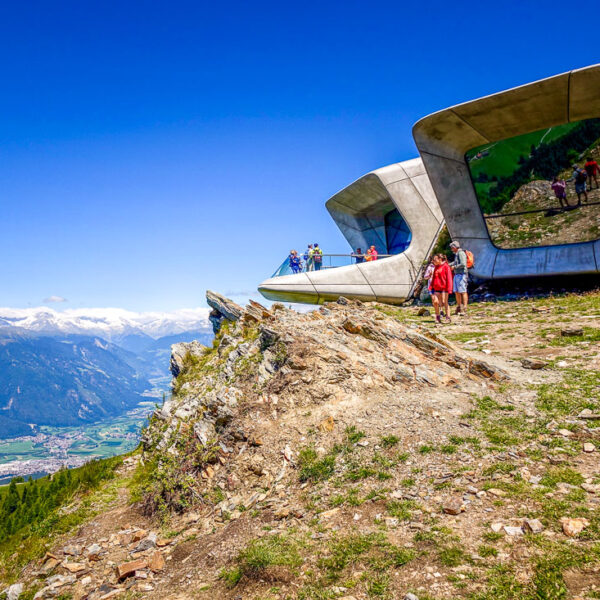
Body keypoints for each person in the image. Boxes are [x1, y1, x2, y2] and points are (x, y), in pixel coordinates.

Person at [430, 254, 453, 324]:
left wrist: (449, 288)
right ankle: (437, 316)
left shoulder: (446, 266)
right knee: (435, 302)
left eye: (435, 259)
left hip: (444, 288)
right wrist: (431, 286)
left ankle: (448, 317)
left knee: (444, 302)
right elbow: (434, 277)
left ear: (440, 259)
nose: (433, 261)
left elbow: (449, 278)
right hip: (437, 287)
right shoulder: (436, 267)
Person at [449, 241, 469, 316]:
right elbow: (455, 262)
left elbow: (463, 264)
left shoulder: (461, 253)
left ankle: (465, 307)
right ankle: (459, 306)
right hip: (457, 274)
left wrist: (454, 267)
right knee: (456, 291)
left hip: (462, 274)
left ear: (454, 247)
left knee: (463, 291)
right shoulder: (457, 254)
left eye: (452, 247)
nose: (451, 249)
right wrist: (449, 265)